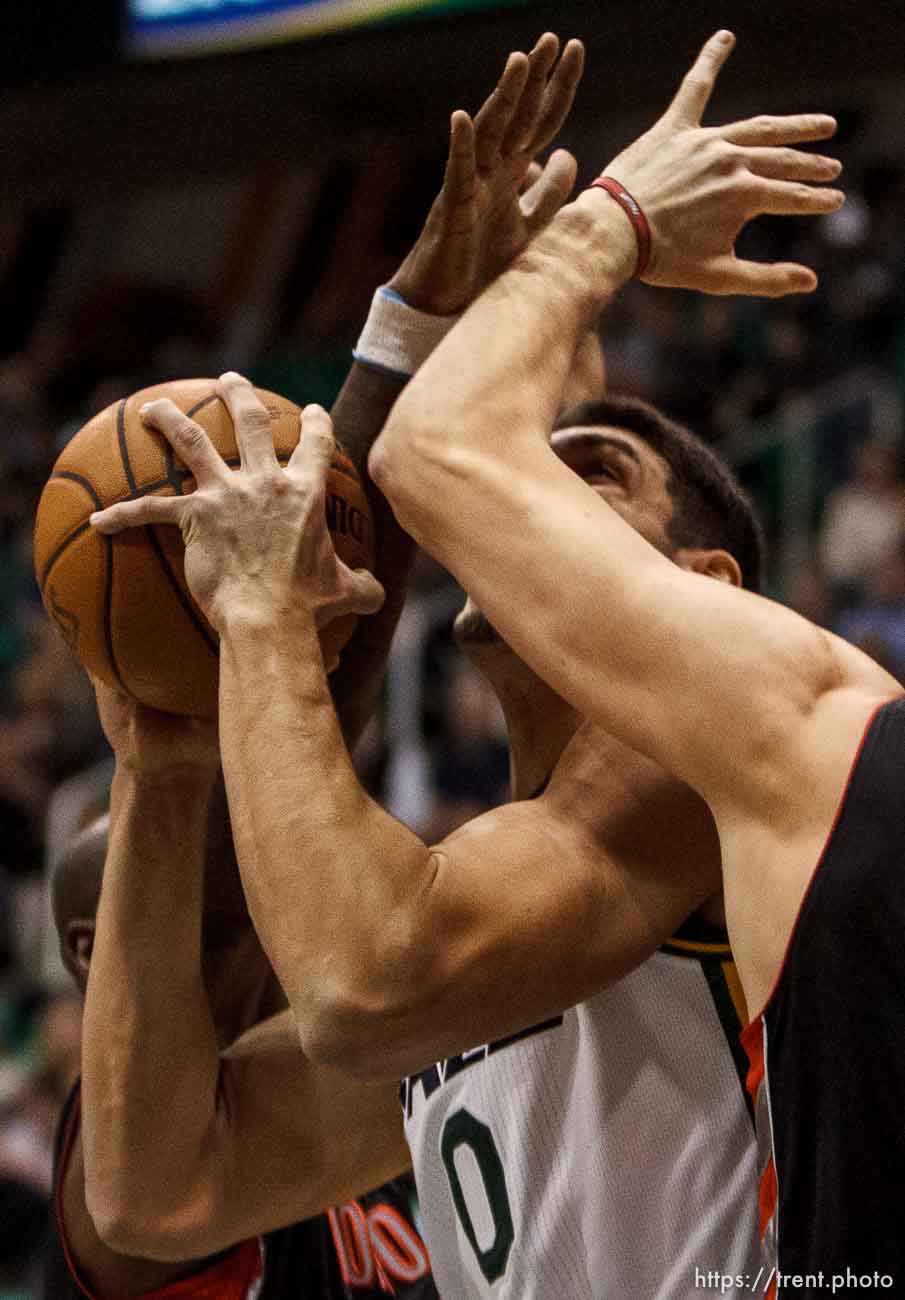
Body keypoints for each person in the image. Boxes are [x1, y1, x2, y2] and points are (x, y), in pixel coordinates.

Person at [84, 31, 846, 1295]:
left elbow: (364, 978)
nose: (527, 495)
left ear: (705, 588)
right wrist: (165, 757)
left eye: (591, 470)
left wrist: (266, 624)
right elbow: (160, 1186)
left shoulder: (699, 804)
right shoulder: (513, 916)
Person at [43, 741, 435, 1298]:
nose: (189, 837)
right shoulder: (116, 1144)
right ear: (91, 949)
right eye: (150, 858)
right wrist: (165, 750)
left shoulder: (327, 1062)